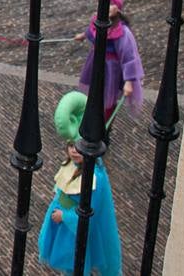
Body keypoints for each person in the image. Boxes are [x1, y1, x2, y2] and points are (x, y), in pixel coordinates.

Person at [38, 91, 123, 276]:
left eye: (78, 146)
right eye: (71, 146)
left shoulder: (96, 177)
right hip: (64, 228)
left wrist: (66, 217)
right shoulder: (69, 165)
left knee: (77, 263)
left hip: (74, 227)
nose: (74, 151)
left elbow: (92, 212)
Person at [75, 0, 145, 122]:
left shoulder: (122, 33)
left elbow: (130, 57)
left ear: (117, 7)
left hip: (111, 71)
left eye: (112, 4)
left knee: (107, 99)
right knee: (94, 94)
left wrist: (129, 81)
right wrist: (83, 35)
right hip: (96, 64)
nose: (108, 7)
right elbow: (91, 29)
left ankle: (104, 126)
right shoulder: (98, 20)